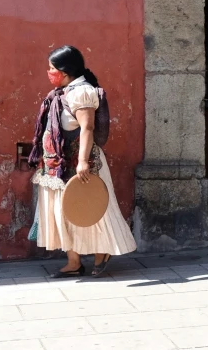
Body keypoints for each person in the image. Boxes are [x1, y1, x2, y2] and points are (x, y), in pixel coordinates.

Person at [28, 45, 136, 278]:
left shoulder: (82, 92)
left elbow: (87, 127)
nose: (49, 72)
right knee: (63, 211)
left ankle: (102, 252)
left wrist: (83, 162)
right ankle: (73, 262)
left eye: (51, 68)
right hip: (58, 166)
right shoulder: (63, 92)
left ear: (65, 71)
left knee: (91, 210)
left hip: (82, 165)